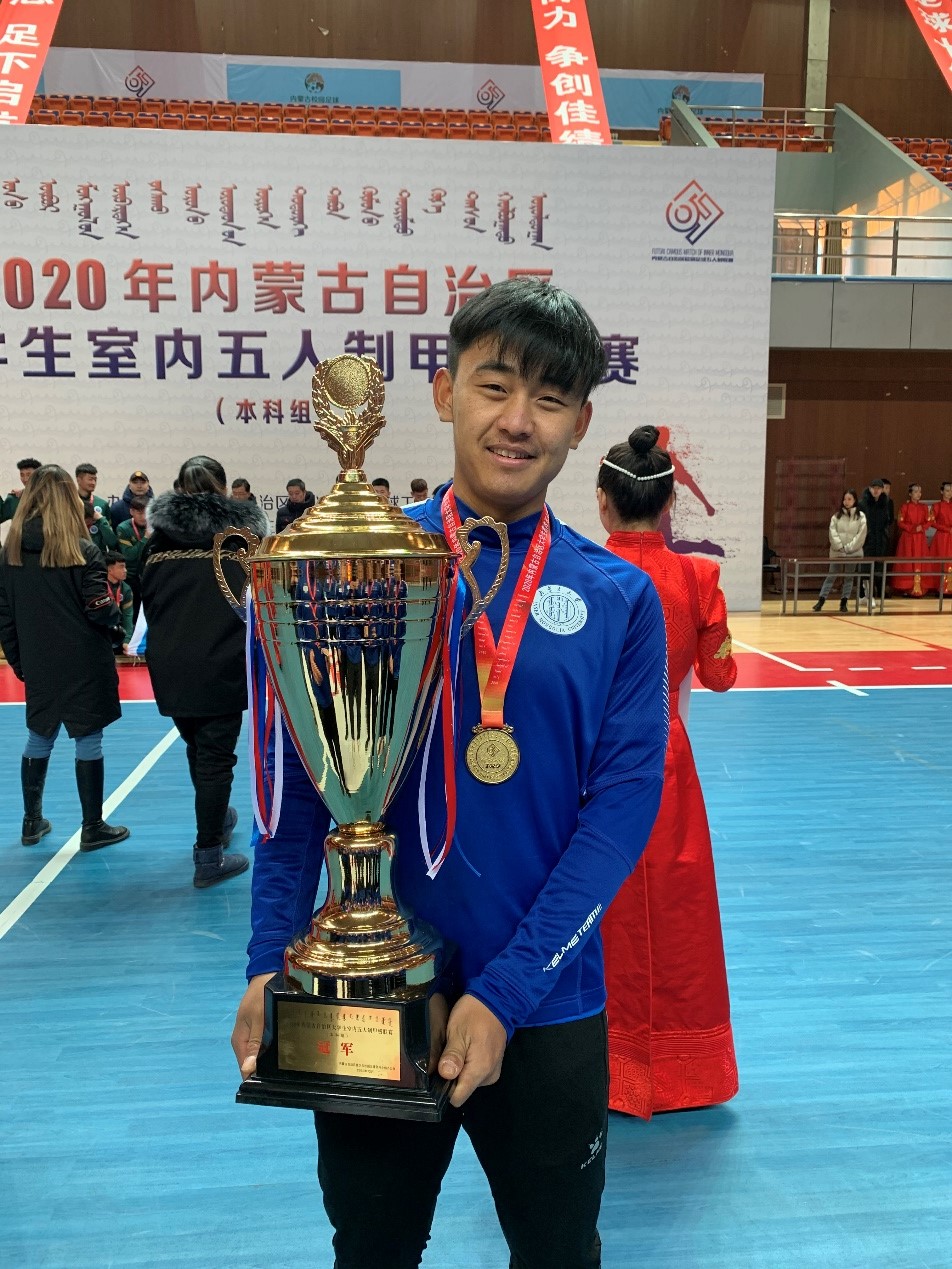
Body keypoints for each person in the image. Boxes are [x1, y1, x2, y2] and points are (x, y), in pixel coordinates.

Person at [231, 278, 668, 1269]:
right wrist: (266, 958)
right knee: (371, 1249)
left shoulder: (618, 599)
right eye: (494, 386)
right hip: (366, 990)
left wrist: (505, 994)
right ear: (443, 392)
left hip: (545, 998)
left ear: (580, 424)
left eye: (549, 399)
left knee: (559, 1251)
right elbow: (296, 792)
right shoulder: (351, 568)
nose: (518, 421)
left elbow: (621, 810)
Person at [595, 425, 739, 1118]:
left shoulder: (581, 573)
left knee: (599, 906)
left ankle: (601, 1060)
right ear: (669, 503)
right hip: (666, 761)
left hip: (592, 766)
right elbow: (721, 675)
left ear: (603, 500)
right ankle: (689, 1068)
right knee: (679, 913)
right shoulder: (698, 577)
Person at [141, 455, 267, 887]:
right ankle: (209, 854)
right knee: (215, 758)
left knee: (199, 749)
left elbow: (148, 604)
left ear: (179, 488)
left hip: (170, 665)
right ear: (224, 489)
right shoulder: (241, 542)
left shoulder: (155, 545)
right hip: (221, 662)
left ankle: (218, 819)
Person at [0, 465, 129, 850]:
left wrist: (19, 661)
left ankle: (31, 822)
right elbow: (99, 607)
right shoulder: (82, 550)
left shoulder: (10, 553)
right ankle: (92, 826)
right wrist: (115, 621)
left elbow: (5, 616)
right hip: (84, 659)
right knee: (88, 736)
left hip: (38, 658)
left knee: (39, 734)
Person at [812, 489, 867, 613]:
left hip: (853, 553)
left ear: (854, 500)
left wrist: (849, 548)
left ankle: (844, 602)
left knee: (849, 577)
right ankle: (821, 600)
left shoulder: (861, 517)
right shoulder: (836, 516)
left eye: (849, 499)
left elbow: (861, 535)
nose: (846, 502)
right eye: (845, 499)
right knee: (831, 575)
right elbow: (832, 533)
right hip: (837, 551)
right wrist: (840, 547)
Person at [115, 496, 151, 621]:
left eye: (146, 513)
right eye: (140, 513)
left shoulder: (156, 527)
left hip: (149, 574)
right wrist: (145, 538)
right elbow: (129, 556)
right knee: (133, 613)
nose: (144, 517)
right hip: (131, 577)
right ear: (132, 512)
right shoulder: (123, 528)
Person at [892, 483, 930, 597]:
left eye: (920, 492)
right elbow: (900, 522)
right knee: (907, 561)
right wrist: (912, 528)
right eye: (915, 492)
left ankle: (920, 586)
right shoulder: (905, 507)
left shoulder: (924, 507)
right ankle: (906, 587)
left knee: (921, 560)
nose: (918, 494)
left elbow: (929, 521)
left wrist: (922, 527)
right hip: (908, 538)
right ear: (910, 493)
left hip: (920, 538)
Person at [858, 478, 890, 599]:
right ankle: (864, 594)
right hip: (867, 540)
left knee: (879, 568)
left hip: (881, 540)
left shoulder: (885, 503)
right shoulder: (863, 503)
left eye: (878, 488)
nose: (876, 490)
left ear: (882, 490)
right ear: (870, 489)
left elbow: (887, 521)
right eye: (874, 488)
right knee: (865, 568)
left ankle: (880, 593)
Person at [104, 550, 134, 655]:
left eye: (125, 567)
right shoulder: (98, 587)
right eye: (121, 567)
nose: (125, 570)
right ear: (110, 569)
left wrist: (127, 641)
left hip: (116, 630)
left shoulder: (126, 589)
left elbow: (128, 616)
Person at [929, 480, 952, 597]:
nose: (950, 493)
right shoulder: (937, 506)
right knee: (942, 561)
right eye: (947, 490)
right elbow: (932, 522)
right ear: (942, 491)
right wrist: (946, 529)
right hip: (942, 537)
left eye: (951, 491)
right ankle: (941, 587)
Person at [2, 457, 41, 523]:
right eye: (22, 475)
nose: (25, 479)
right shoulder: (15, 499)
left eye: (29, 475)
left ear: (39, 475)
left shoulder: (49, 495)